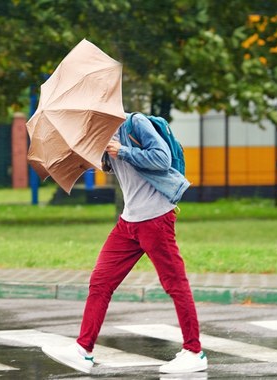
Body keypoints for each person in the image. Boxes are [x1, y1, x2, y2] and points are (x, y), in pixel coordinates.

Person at [42, 113, 207, 375]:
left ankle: (194, 352)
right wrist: (89, 157)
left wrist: (123, 150)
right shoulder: (102, 134)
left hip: (155, 219)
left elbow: (161, 159)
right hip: (129, 222)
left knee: (175, 283)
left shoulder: (135, 123)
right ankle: (83, 350)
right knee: (100, 282)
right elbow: (111, 166)